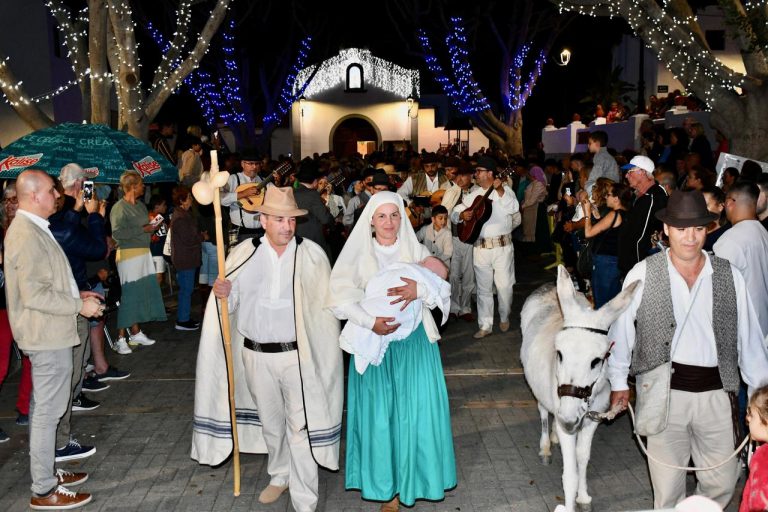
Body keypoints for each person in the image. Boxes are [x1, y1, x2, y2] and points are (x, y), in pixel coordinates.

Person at [608, 190, 768, 509]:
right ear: (667, 230)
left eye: (697, 228)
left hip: (716, 394)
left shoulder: (729, 275)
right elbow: (621, 331)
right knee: (667, 490)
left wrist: (761, 391)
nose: (690, 237)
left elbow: (749, 338)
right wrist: (618, 382)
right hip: (663, 395)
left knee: (723, 480)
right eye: (681, 229)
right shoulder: (641, 274)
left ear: (708, 228)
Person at [192, 187, 342, 512]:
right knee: (271, 424)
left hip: (296, 357)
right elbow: (230, 305)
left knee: (300, 428)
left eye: (290, 220)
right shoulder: (243, 253)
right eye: (279, 220)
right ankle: (279, 476)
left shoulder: (311, 254)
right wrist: (223, 293)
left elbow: (324, 311)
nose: (287, 227)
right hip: (255, 355)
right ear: (263, 220)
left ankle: (305, 498)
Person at [328, 191, 456, 512]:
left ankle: (413, 482)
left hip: (413, 347)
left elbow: (442, 286)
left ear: (403, 218)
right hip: (376, 349)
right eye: (382, 216)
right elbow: (339, 299)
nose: (389, 222)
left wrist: (419, 289)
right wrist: (370, 321)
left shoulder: (416, 250)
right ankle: (388, 491)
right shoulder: (358, 254)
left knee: (415, 415)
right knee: (380, 418)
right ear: (370, 220)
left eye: (395, 215)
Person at [5, 169, 104, 510]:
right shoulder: (26, 234)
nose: (56, 195)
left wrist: (79, 293)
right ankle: (44, 489)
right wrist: (80, 305)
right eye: (50, 190)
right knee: (48, 412)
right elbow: (35, 295)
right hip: (45, 334)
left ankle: (47, 473)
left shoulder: (33, 229)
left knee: (43, 409)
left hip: (49, 331)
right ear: (34, 195)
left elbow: (47, 283)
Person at [340, 256, 450, 374]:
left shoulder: (419, 251)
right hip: (370, 317)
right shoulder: (360, 251)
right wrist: (370, 322)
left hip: (411, 345)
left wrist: (422, 291)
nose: (420, 262)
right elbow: (338, 299)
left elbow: (439, 291)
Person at [452, 156, 521, 339]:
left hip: (502, 248)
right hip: (480, 249)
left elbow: (513, 208)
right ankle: (485, 324)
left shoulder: (506, 192)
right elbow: (455, 212)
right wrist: (462, 215)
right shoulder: (474, 194)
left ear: (490, 173)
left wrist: (499, 190)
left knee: (504, 287)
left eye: (479, 171)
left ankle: (505, 316)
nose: (476, 174)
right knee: (483, 289)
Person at [109, 171, 166, 353]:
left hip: (143, 252)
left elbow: (143, 230)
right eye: (141, 184)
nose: (144, 187)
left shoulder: (141, 206)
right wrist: (143, 228)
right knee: (130, 295)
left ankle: (135, 332)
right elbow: (117, 234)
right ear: (132, 186)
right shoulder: (119, 208)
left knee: (140, 293)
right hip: (128, 254)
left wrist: (152, 228)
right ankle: (120, 338)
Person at [713, 181, 768, 336]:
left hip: (741, 329)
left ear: (730, 202)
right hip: (761, 325)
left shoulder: (731, 240)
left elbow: (719, 293)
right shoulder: (763, 233)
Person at [618, 155, 668, 277]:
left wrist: (634, 269)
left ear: (643, 172)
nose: (626, 176)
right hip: (630, 265)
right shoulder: (639, 196)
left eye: (630, 172)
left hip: (638, 267)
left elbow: (640, 237)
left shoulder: (653, 197)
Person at [583, 182, 630, 308]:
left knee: (602, 302)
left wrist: (587, 213)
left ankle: (604, 328)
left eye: (608, 195)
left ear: (616, 198)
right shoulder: (627, 213)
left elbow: (588, 233)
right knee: (614, 301)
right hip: (616, 261)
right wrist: (596, 215)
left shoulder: (614, 214)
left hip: (605, 262)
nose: (605, 197)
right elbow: (611, 232)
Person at [441, 161, 478, 321]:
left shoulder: (477, 192)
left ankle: (466, 307)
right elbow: (444, 214)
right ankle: (454, 306)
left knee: (469, 274)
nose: (460, 179)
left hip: (471, 240)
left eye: (464, 175)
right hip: (454, 238)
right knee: (454, 274)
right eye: (458, 175)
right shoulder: (451, 192)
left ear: (471, 176)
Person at [169, 185, 203, 331]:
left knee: (186, 290)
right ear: (182, 200)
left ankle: (185, 318)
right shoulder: (180, 217)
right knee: (186, 290)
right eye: (189, 197)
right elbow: (188, 239)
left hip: (186, 258)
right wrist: (202, 236)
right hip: (185, 259)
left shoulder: (183, 214)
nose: (191, 199)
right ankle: (182, 320)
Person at [220, 147, 265, 244]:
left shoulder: (263, 181)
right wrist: (243, 194)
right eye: (250, 163)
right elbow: (221, 199)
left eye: (257, 164)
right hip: (240, 231)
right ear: (242, 164)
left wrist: (277, 183)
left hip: (261, 232)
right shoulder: (233, 179)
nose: (254, 167)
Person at [293, 158, 334, 258]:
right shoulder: (312, 195)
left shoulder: (291, 192)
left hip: (295, 239)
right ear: (315, 181)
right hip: (313, 241)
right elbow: (325, 219)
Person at [740, 385, 768, 512]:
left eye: (751, 414)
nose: (747, 418)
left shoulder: (762, 458)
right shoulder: (761, 453)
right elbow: (748, 494)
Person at [701, 186, 730, 252]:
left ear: (720, 207)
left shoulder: (725, 235)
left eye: (705, 205)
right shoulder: (692, 227)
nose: (700, 209)